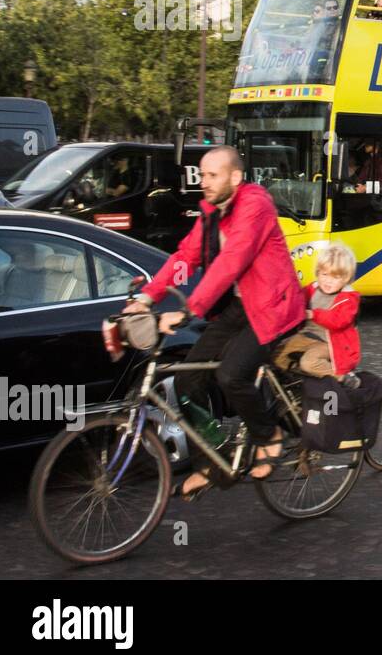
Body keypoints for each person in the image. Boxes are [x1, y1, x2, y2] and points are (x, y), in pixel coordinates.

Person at [122, 146, 304, 499]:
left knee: (230, 374)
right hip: (239, 306)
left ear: (235, 178)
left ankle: (270, 435)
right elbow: (184, 257)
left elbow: (232, 262)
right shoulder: (210, 211)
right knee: (188, 377)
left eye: (212, 175)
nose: (203, 182)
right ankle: (215, 459)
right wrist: (146, 298)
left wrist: (191, 309)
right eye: (201, 175)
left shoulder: (256, 206)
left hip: (272, 307)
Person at [273, 245, 361, 388]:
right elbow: (296, 299)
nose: (328, 281)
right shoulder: (312, 289)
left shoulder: (348, 298)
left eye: (335, 277)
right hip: (307, 336)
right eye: (324, 274)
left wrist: (313, 314)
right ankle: (298, 382)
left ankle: (342, 377)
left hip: (331, 344)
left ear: (346, 278)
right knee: (277, 353)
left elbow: (339, 320)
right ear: (317, 273)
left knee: (308, 362)